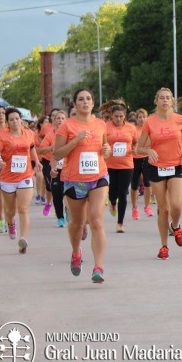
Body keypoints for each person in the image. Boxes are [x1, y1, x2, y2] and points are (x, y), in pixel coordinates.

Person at [53, 88, 111, 283]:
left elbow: (105, 151)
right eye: (80, 99)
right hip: (74, 180)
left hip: (99, 177)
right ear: (75, 105)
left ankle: (98, 267)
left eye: (88, 98)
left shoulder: (101, 124)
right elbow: (57, 154)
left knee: (96, 220)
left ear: (93, 103)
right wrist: (76, 140)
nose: (85, 102)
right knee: (77, 224)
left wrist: (106, 149)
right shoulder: (67, 126)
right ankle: (76, 252)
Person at [135, 88, 182, 260]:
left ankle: (176, 226)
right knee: (163, 209)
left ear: (172, 101)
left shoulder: (179, 119)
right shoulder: (150, 122)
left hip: (175, 165)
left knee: (176, 205)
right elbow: (139, 148)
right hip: (156, 166)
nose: (165, 100)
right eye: (162, 98)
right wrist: (149, 150)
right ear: (156, 101)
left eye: (168, 98)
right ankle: (164, 246)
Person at [0, 108, 39, 255]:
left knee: (23, 209)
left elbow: (31, 147)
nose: (14, 121)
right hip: (8, 178)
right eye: (11, 119)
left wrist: (36, 161)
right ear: (8, 122)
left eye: (17, 118)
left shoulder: (29, 133)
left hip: (25, 176)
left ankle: (23, 239)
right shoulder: (3, 137)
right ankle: (10, 224)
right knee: (10, 211)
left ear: (21, 119)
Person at [106, 104, 137, 233]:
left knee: (123, 192)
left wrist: (135, 148)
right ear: (111, 116)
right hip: (110, 164)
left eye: (121, 116)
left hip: (127, 164)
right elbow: (101, 142)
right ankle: (112, 202)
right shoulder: (106, 127)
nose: (118, 119)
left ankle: (120, 223)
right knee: (112, 192)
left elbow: (135, 141)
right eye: (116, 116)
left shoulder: (131, 128)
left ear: (125, 116)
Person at [41, 110, 68, 227]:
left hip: (67, 166)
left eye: (63, 118)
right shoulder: (50, 135)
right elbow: (40, 150)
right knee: (56, 192)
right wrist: (52, 147)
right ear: (54, 121)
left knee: (67, 191)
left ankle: (68, 210)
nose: (60, 120)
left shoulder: (71, 134)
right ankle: (60, 217)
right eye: (58, 118)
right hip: (53, 165)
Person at [130, 108, 154, 219]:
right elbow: (129, 143)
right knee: (134, 185)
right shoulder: (133, 129)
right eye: (139, 117)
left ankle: (147, 206)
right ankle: (134, 208)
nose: (142, 119)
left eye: (144, 117)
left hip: (146, 158)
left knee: (148, 183)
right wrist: (133, 149)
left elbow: (153, 143)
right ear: (136, 118)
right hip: (135, 159)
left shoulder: (149, 130)